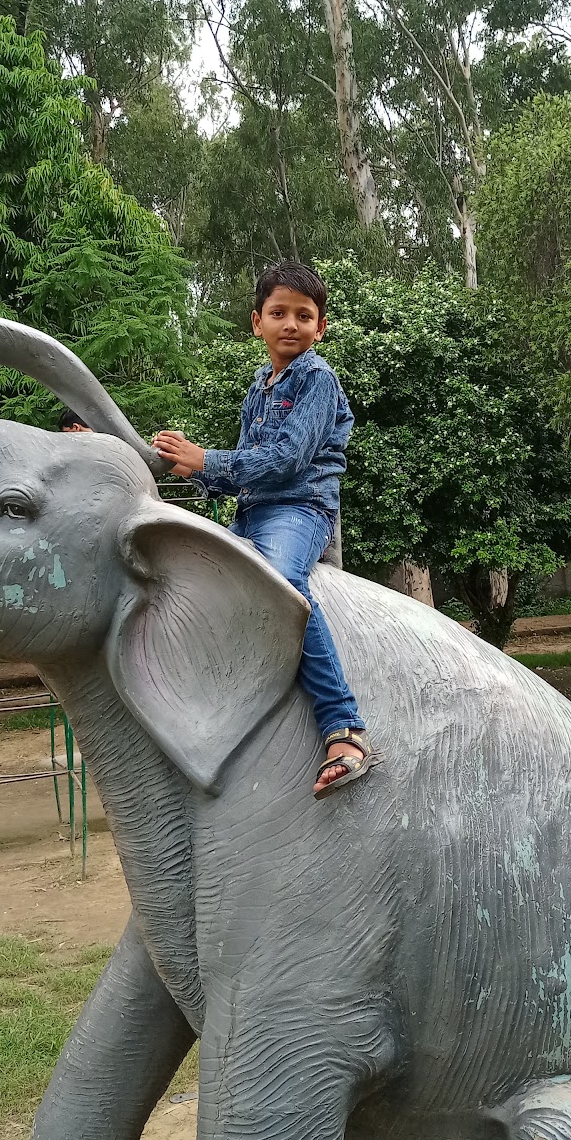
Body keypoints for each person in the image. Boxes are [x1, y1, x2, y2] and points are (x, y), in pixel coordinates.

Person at [152, 261, 378, 800]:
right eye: (279, 313)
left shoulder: (318, 380)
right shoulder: (260, 386)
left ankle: (344, 729)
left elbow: (286, 461)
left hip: (298, 511)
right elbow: (246, 464)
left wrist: (207, 459)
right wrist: (190, 468)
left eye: (304, 315)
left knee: (280, 586)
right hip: (252, 512)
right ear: (258, 323)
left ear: (321, 327)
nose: (291, 324)